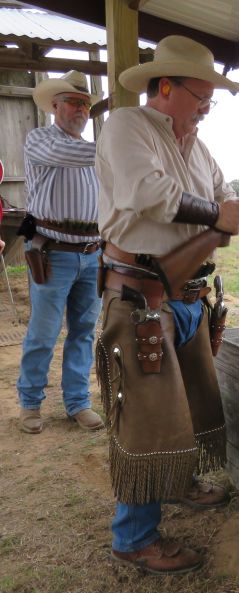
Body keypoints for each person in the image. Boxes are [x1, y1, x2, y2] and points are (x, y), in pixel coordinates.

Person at [95, 35, 239, 575]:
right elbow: (146, 193)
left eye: (210, 100)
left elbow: (229, 212)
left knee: (187, 408)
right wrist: (220, 213)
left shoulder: (199, 150)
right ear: (166, 85)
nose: (206, 107)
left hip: (188, 298)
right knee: (148, 422)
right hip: (140, 298)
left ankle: (175, 483)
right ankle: (133, 539)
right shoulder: (126, 126)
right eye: (202, 96)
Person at [17, 71, 104, 435]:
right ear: (55, 106)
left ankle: (78, 402)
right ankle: (30, 403)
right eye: (72, 102)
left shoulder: (96, 153)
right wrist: (124, 148)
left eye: (85, 104)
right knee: (44, 332)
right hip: (53, 252)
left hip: (92, 253)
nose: (81, 109)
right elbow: (70, 154)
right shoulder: (41, 140)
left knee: (83, 332)